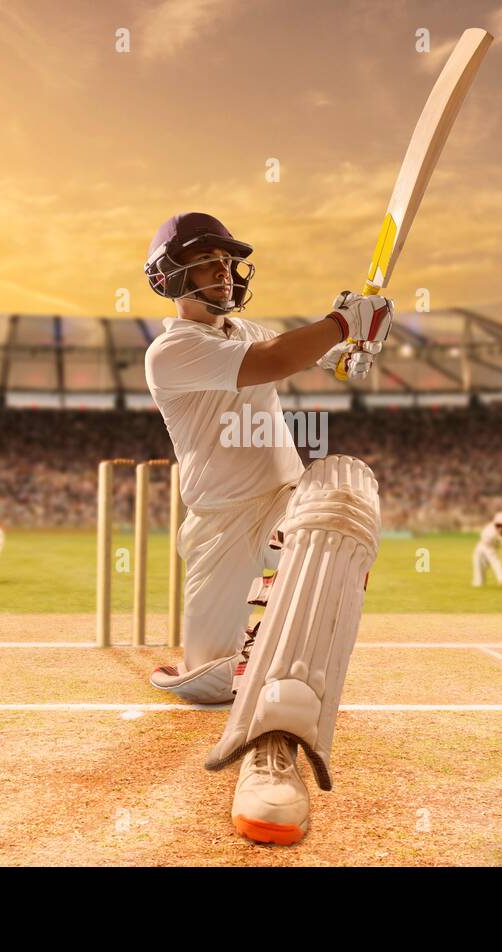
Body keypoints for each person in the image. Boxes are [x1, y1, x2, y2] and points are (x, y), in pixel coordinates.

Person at [141, 212, 392, 845]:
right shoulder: (172, 350)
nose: (223, 269)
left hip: (285, 499)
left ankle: (278, 735)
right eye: (207, 260)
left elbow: (308, 357)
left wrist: (354, 348)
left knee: (339, 497)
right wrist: (343, 323)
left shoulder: (245, 330)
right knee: (211, 681)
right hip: (220, 520)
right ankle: (235, 662)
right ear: (171, 276)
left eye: (227, 260)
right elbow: (277, 359)